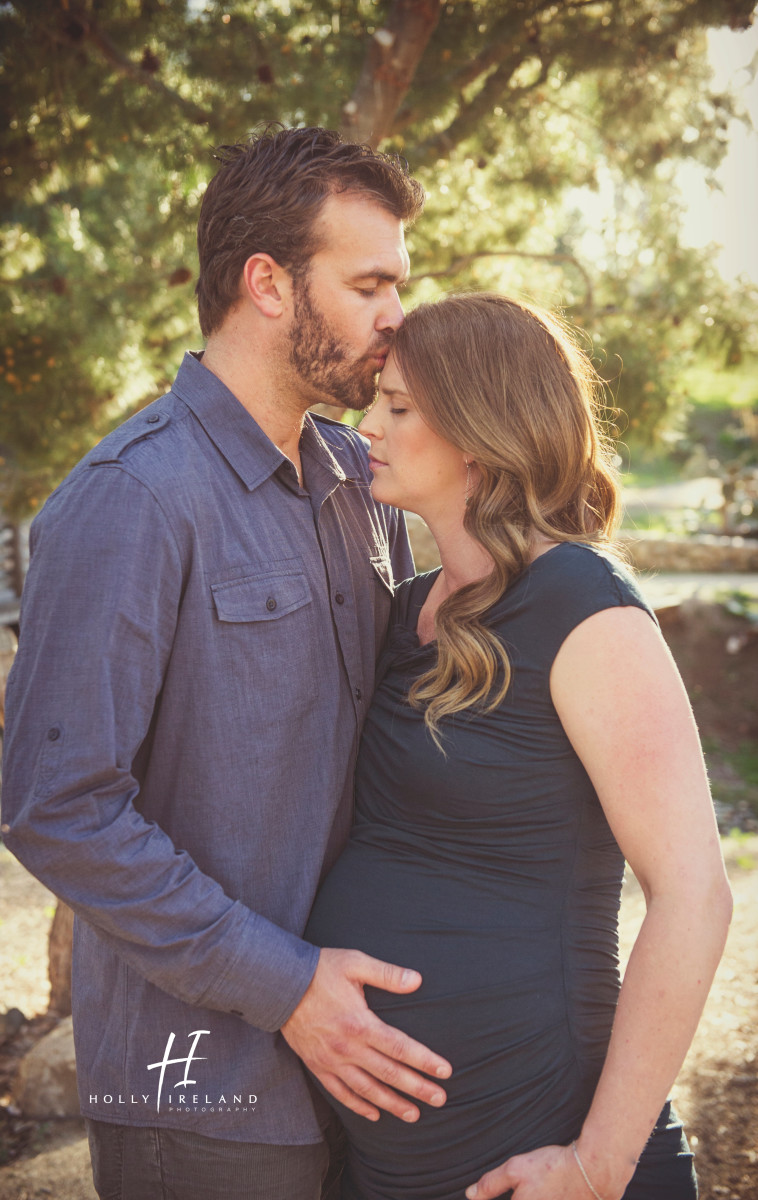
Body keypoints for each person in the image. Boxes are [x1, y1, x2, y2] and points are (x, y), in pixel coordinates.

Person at [0, 126, 453, 1200]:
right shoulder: (132, 500)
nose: (399, 316)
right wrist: (289, 987)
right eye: (370, 283)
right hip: (203, 1086)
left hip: (366, 1071)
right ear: (267, 284)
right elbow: (58, 809)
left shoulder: (359, 480)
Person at [305, 292, 733, 1200]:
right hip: (397, 1162)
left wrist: (597, 1164)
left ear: (479, 428)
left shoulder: (581, 603)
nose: (367, 425)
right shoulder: (406, 608)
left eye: (400, 407)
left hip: (543, 1140)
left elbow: (694, 894)